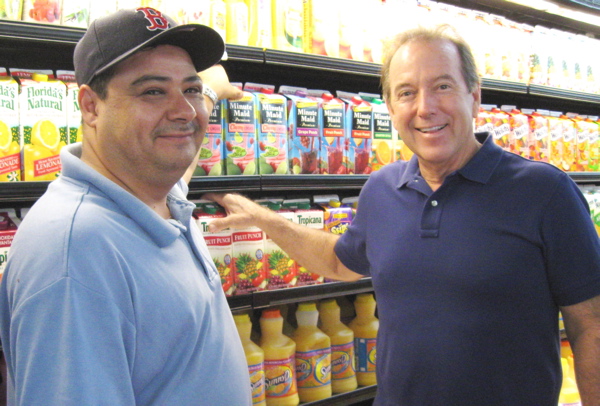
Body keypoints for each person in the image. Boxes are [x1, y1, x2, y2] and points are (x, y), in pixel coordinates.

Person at [204, 24, 600, 405]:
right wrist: (264, 218)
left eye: (442, 86)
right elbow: (338, 261)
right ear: (391, 107)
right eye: (407, 92)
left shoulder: (544, 191)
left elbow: (591, 326)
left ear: (474, 95)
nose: (425, 108)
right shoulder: (381, 189)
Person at [0, 8, 250, 405]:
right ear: (91, 107)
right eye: (152, 91)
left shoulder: (157, 199)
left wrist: (212, 88)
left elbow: (180, 139)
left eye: (190, 89)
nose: (185, 111)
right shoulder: (75, 250)